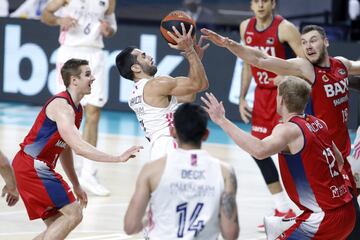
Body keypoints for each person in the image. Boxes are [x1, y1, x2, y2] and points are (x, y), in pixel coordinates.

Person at [201, 24, 360, 238]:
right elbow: (261, 59)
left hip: (340, 155)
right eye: (303, 42)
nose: (308, 46)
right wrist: (229, 44)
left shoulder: (341, 65)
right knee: (339, 217)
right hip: (319, 152)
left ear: (326, 42)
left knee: (345, 218)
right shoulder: (306, 68)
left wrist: (221, 120)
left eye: (313, 40)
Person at [12, 59, 142, 240]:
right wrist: (118, 158)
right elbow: (79, 147)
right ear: (74, 80)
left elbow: (66, 149)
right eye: (88, 74)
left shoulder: (77, 109)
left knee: (58, 223)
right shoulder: (62, 107)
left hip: (31, 166)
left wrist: (76, 184)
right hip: (33, 166)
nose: (93, 78)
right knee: (74, 214)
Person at [123, 103, 239, 240]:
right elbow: (230, 234)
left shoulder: (151, 170)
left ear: (172, 132)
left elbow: (130, 227)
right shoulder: (225, 172)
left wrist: (150, 219)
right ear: (206, 134)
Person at [238, 0, 304, 228]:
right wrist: (242, 97)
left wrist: (286, 76)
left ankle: (304, 208)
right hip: (261, 97)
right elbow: (247, 64)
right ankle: (282, 207)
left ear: (273, 3)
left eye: (265, 0)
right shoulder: (245, 26)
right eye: (256, 1)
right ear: (251, 5)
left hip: (286, 96)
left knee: (291, 151)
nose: (260, 5)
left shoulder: (285, 28)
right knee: (258, 152)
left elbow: (306, 62)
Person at [41, 0, 117, 196]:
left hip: (95, 53)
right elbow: (45, 14)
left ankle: (88, 174)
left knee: (94, 112)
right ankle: (48, 163)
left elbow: (112, 27)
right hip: (70, 52)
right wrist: (60, 20)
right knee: (65, 112)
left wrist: (107, 29)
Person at [116, 24, 209, 162]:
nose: (149, 56)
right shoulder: (156, 85)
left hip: (158, 147)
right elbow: (200, 85)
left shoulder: (136, 94)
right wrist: (190, 51)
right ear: (135, 67)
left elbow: (189, 95)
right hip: (170, 144)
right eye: (143, 56)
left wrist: (195, 59)